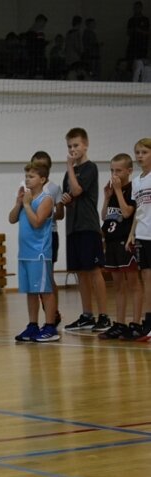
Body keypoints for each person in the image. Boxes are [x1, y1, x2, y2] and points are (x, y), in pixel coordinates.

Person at [59, 128, 111, 333]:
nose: (72, 149)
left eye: (76, 145)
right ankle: (87, 315)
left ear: (86, 145)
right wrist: (65, 201)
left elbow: (78, 189)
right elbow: (70, 196)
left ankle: (104, 316)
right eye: (69, 146)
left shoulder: (90, 168)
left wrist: (70, 168)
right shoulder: (67, 174)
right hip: (73, 227)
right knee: (80, 272)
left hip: (88, 226)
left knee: (94, 270)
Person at [9, 161, 59, 342]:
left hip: (39, 253)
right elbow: (12, 219)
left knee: (45, 291)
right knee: (31, 291)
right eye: (26, 176)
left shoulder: (46, 199)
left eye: (31, 177)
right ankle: (32, 325)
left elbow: (37, 222)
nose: (27, 180)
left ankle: (51, 327)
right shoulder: (26, 199)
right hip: (25, 253)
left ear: (42, 179)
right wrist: (19, 203)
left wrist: (28, 205)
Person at [98, 154, 141, 340]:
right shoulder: (113, 191)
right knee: (117, 286)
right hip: (112, 242)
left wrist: (117, 191)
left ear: (129, 171)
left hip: (126, 242)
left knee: (133, 284)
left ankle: (136, 323)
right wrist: (107, 197)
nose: (114, 174)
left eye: (118, 170)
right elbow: (105, 216)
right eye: (112, 170)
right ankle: (120, 323)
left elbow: (126, 212)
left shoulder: (132, 189)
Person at [32, 150, 63, 326]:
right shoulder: (26, 186)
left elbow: (60, 215)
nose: (39, 168)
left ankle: (52, 312)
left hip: (49, 234)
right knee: (35, 277)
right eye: (36, 165)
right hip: (32, 236)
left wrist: (53, 208)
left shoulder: (54, 188)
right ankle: (36, 319)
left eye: (42, 166)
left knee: (48, 276)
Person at [127, 138, 151, 340]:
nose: (140, 156)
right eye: (137, 152)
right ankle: (149, 321)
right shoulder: (136, 182)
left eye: (144, 152)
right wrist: (131, 233)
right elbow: (139, 211)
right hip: (142, 234)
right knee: (146, 280)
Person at [126, 1, 150, 80]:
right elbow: (128, 32)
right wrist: (133, 30)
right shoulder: (131, 20)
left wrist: (139, 30)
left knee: (142, 65)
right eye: (135, 7)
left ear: (141, 8)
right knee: (131, 65)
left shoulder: (145, 19)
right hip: (132, 46)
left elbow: (148, 32)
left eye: (138, 7)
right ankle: (131, 82)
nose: (136, 9)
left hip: (142, 46)